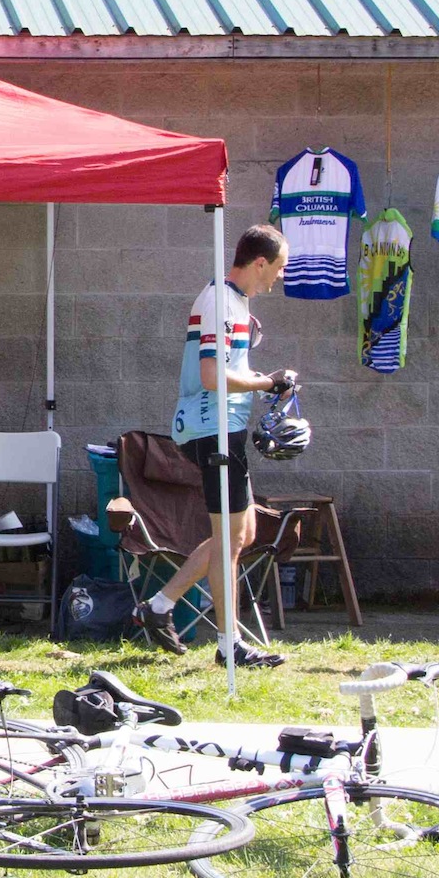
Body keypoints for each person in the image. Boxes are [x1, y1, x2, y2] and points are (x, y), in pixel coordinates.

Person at [132, 224, 295, 669]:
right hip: (213, 429)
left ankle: (160, 606)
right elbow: (211, 377)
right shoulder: (221, 301)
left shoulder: (234, 300)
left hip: (222, 426)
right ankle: (229, 645)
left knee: (241, 534)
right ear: (259, 263)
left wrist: (267, 383)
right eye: (279, 267)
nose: (279, 277)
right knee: (229, 540)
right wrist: (267, 382)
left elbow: (227, 368)